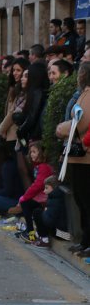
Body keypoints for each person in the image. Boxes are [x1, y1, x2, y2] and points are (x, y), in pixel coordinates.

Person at [56, 62, 90, 257]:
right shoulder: (83, 93)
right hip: (79, 156)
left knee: (86, 201)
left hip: (85, 156)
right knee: (81, 200)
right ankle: (85, 241)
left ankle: (87, 241)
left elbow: (81, 122)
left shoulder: (88, 95)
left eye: (82, 72)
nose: (79, 75)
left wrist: (61, 128)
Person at [7, 142, 53, 242]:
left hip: (45, 199)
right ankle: (29, 230)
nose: (31, 154)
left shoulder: (43, 167)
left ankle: (30, 231)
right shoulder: (39, 166)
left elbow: (37, 186)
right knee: (25, 203)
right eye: (31, 152)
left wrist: (25, 197)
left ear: (41, 153)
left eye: (34, 152)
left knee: (25, 203)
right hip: (42, 197)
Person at [29, 176, 67, 249]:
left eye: (46, 188)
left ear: (54, 188)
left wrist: (44, 213)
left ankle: (44, 240)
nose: (44, 191)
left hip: (63, 235)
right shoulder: (56, 197)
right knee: (40, 212)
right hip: (63, 233)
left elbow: (49, 221)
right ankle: (41, 236)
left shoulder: (55, 200)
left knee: (37, 212)